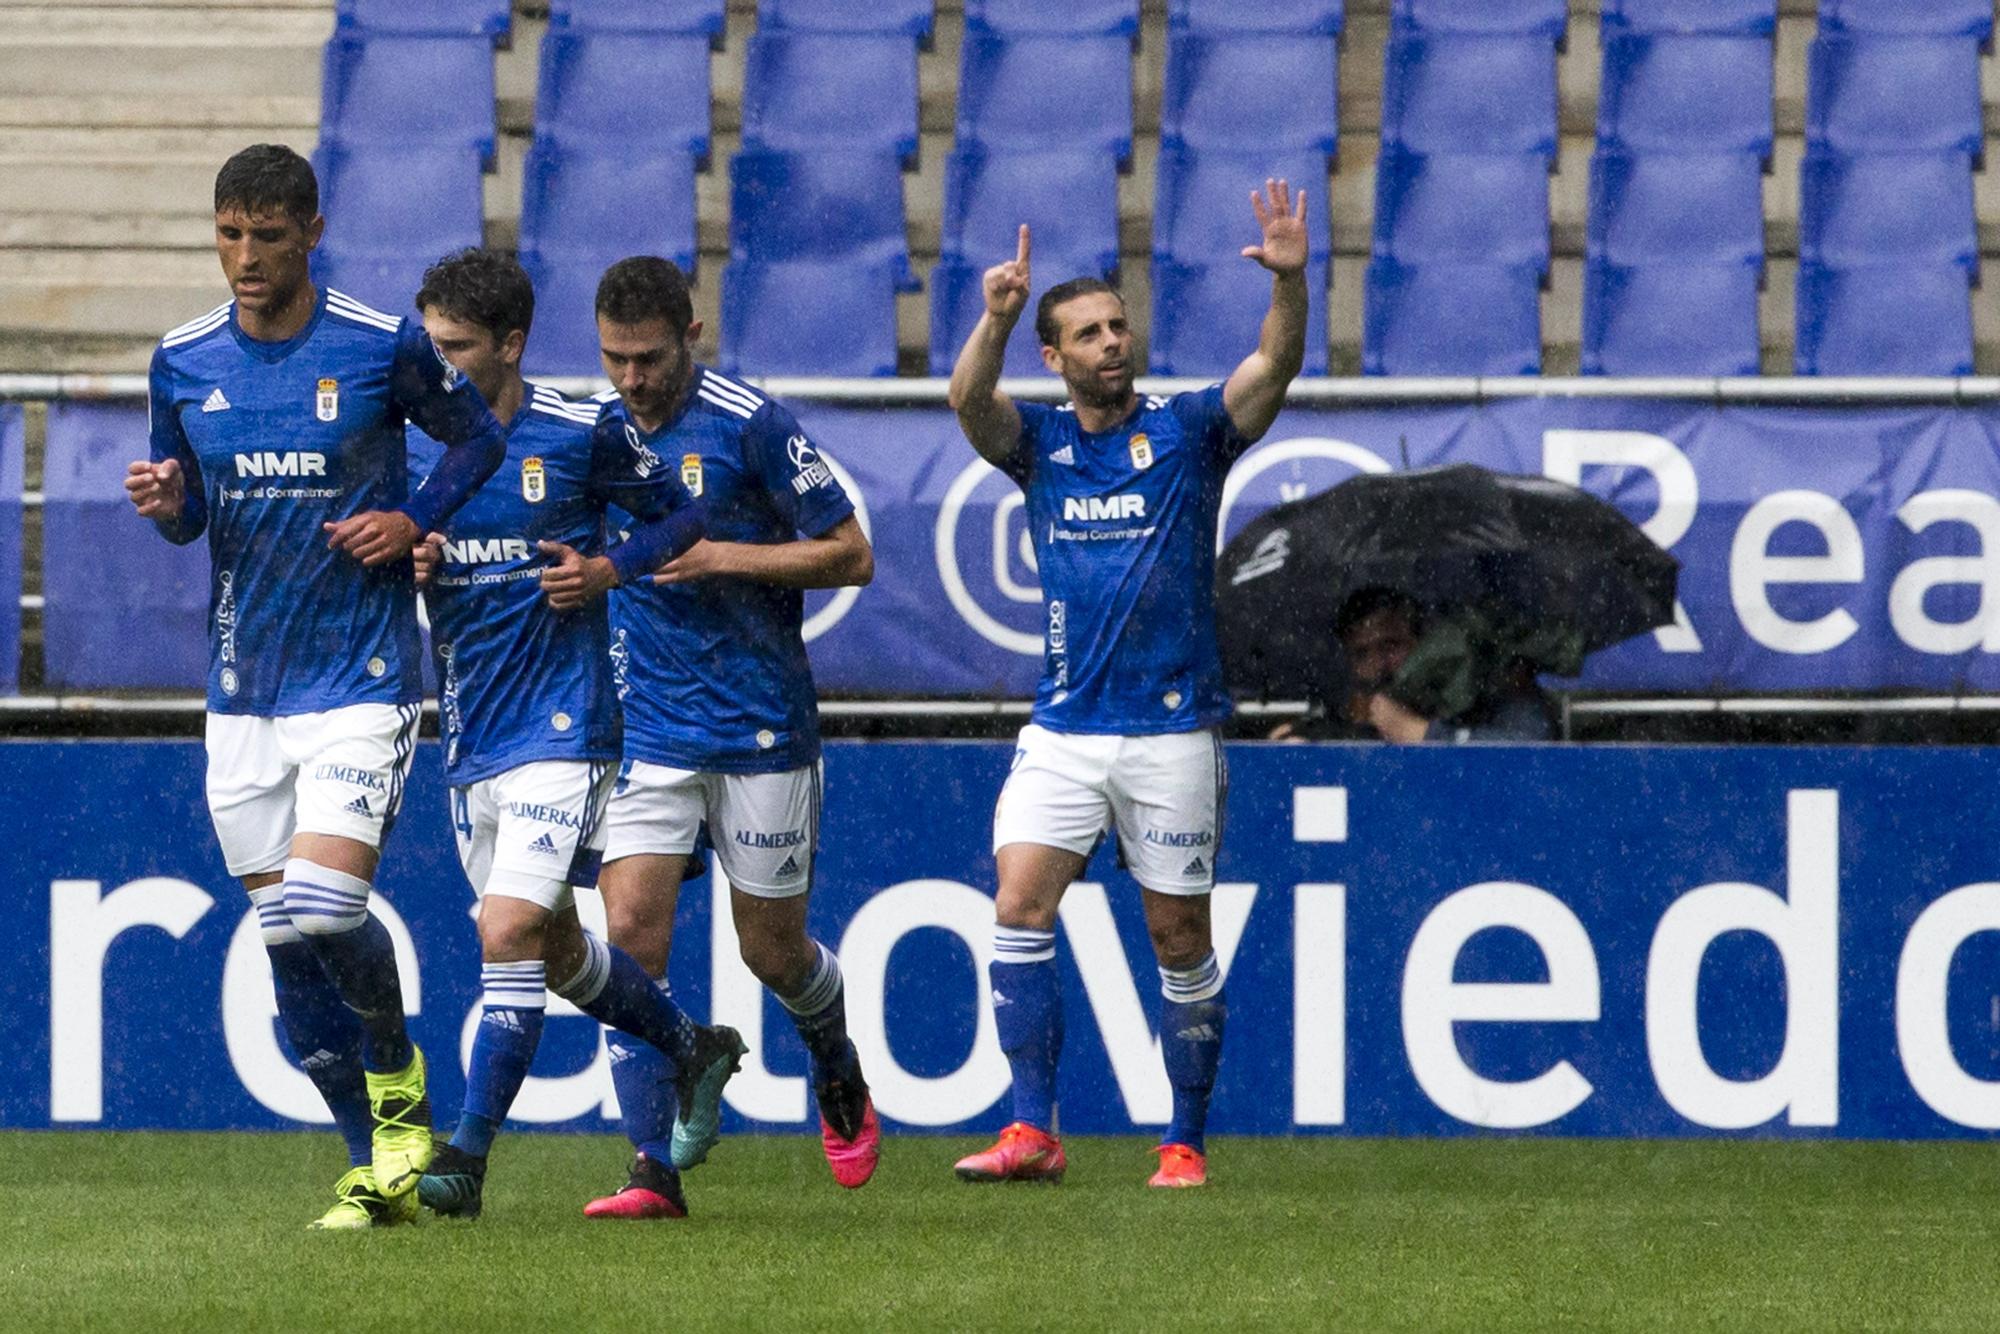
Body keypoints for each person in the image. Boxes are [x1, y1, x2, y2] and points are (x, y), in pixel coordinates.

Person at [124, 144, 508, 1228]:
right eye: (228, 234)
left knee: (325, 901)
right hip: (244, 685)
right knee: (289, 951)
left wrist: (414, 517)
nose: (244, 257)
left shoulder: (377, 343)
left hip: (362, 673)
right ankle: (373, 1157)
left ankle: (396, 1067)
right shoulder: (183, 357)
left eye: (267, 236)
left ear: (311, 232)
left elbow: (477, 438)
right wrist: (167, 503)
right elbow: (191, 509)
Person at [945, 181, 1311, 1189]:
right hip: (1063, 726)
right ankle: (1031, 1128)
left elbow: (1272, 366)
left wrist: (1289, 285)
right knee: (1017, 904)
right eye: (1088, 332)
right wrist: (995, 317)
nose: (1112, 340)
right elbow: (968, 403)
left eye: (1118, 324)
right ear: (1053, 358)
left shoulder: (1190, 433)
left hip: (1168, 729)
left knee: (1175, 934)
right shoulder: (1042, 449)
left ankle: (1182, 1138)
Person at [397, 249, 742, 1223]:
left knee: (504, 928)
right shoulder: (420, 446)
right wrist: (413, 557)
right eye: (430, 347)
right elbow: (391, 559)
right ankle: (689, 1044)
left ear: (509, 344)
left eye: (456, 348)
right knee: (546, 944)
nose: (439, 366)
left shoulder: (575, 431)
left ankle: (464, 1155)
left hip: (567, 723)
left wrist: (606, 570)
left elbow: (687, 517)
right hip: (471, 731)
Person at [584, 256, 880, 1216]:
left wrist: (722, 556)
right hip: (647, 728)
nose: (632, 379)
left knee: (773, 953)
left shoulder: (752, 425)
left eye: (649, 359)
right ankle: (650, 1169)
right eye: (615, 359)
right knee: (628, 937)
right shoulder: (594, 433)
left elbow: (851, 553)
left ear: (693, 336)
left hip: (758, 724)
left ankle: (833, 1060)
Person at [1285, 588, 1554, 743]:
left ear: (1423, 643)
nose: (1379, 665)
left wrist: (1421, 733)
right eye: (1362, 654)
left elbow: (1530, 756)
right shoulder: (1349, 715)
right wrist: (1302, 743)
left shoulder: (1488, 693)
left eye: (1390, 646)